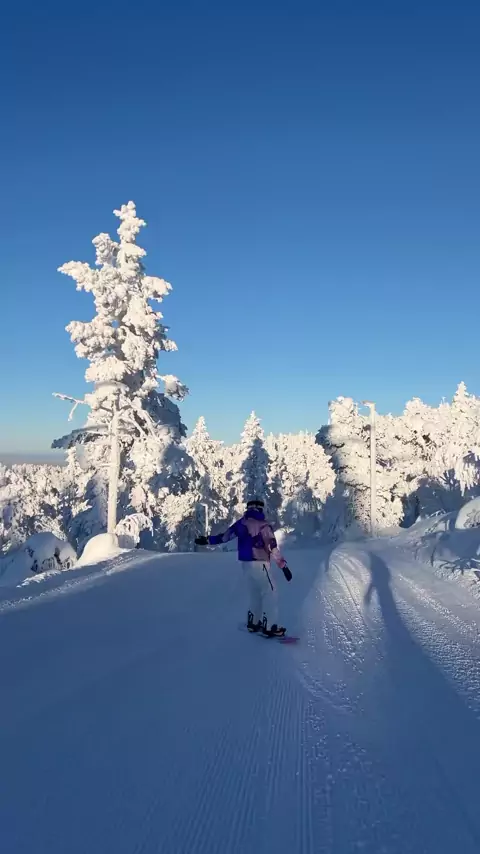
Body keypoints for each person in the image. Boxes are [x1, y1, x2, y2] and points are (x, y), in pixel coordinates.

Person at [195, 499, 292, 637]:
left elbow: (224, 537)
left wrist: (207, 540)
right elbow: (272, 546)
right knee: (270, 592)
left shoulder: (241, 523)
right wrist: (283, 565)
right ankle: (269, 626)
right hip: (260, 562)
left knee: (255, 593)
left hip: (245, 564)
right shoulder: (263, 525)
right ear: (259, 509)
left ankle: (253, 623)